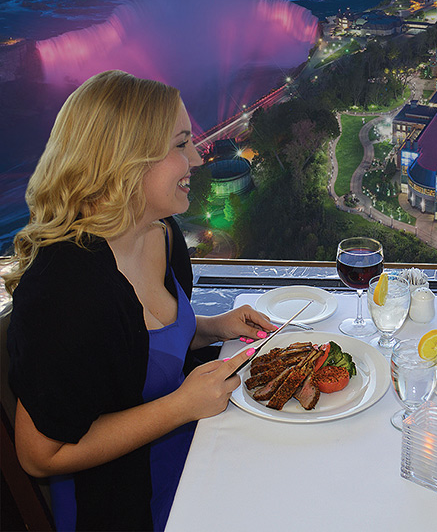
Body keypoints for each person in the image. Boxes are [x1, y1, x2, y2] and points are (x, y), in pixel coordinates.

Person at [4, 70, 276, 531]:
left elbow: (136, 349)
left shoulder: (162, 234)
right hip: (124, 503)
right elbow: (38, 456)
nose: (197, 156)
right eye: (180, 143)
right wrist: (180, 407)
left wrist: (214, 326)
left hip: (197, 448)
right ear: (124, 159)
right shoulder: (63, 293)